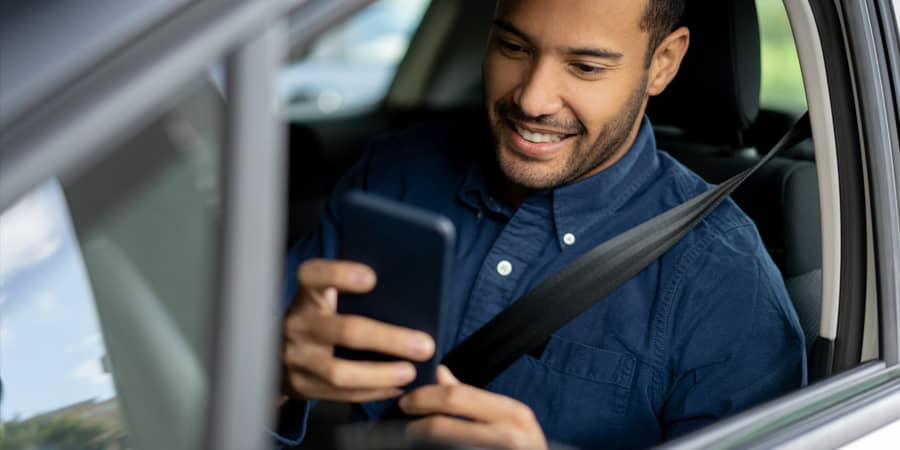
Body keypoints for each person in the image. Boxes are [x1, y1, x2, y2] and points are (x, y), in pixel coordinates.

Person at [278, 0, 806, 448]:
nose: (532, 99)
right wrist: (275, 378)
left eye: (585, 67)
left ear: (663, 63)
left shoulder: (724, 280)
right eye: (514, 48)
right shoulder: (393, 176)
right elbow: (228, 381)